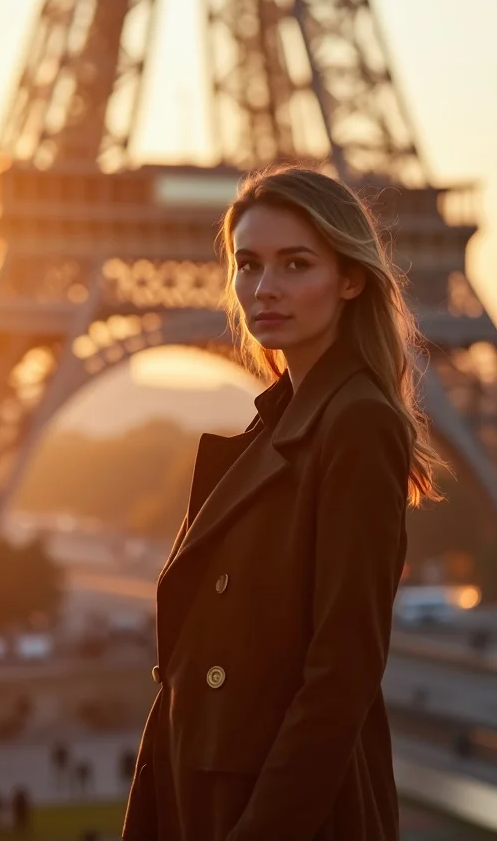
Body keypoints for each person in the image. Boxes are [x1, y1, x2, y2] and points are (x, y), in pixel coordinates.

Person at [122, 166, 443, 841]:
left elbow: (344, 668)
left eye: (296, 264)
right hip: (213, 780)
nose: (264, 288)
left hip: (269, 805)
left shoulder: (355, 423)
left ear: (350, 278)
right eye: (249, 265)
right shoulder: (285, 421)